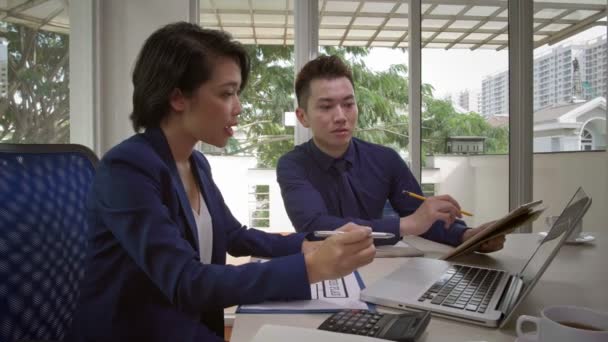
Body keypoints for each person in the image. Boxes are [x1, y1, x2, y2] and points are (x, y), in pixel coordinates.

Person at [67, 23, 375, 342]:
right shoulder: (127, 168)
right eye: (227, 93)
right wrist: (311, 267)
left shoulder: (195, 162)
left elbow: (234, 236)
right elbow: (186, 281)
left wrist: (308, 245)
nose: (238, 108)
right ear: (177, 98)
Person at [277, 55, 505, 251]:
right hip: (320, 269)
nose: (340, 116)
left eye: (348, 104)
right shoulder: (292, 165)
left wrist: (465, 236)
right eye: (326, 106)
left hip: (381, 265)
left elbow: (421, 216)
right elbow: (316, 227)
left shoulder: (385, 159)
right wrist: (408, 224)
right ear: (302, 117)